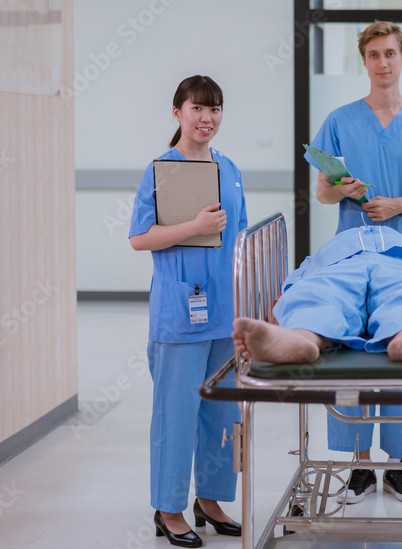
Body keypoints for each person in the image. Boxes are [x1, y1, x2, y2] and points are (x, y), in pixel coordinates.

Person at [306, 20, 402, 505]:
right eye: (373, 54)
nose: (382, 62)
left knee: (401, 346)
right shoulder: (339, 120)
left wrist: (397, 205)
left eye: (390, 53)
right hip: (351, 252)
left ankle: (397, 467)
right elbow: (321, 193)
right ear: (364, 62)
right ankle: (357, 465)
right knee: (354, 350)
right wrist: (344, 189)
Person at [130, 75, 246, 548]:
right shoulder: (162, 170)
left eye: (215, 109)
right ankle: (169, 508)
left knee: (222, 413)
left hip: (225, 309)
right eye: (197, 109)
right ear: (177, 112)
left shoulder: (230, 167)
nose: (207, 119)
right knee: (177, 415)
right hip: (180, 312)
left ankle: (211, 500)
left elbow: (238, 240)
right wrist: (192, 226)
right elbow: (140, 238)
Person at [232, 224, 402, 365]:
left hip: (400, 263)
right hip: (339, 263)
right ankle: (301, 338)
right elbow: (305, 275)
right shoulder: (330, 248)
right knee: (322, 293)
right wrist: (287, 300)